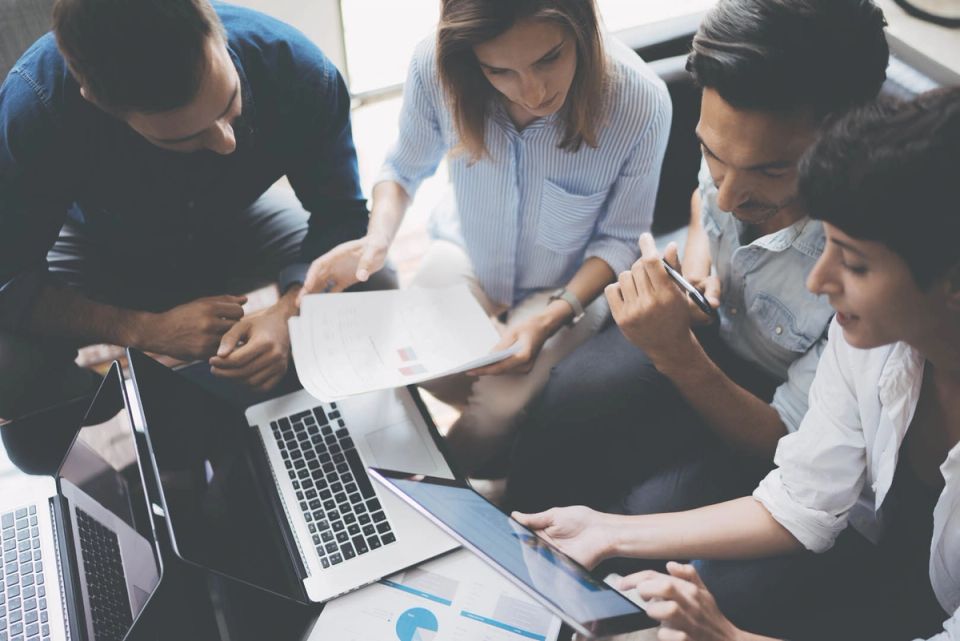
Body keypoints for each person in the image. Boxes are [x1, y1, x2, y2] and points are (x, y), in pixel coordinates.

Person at [518, 88, 960, 640]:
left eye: (854, 263)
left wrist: (727, 636)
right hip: (874, 553)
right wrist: (606, 532)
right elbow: (802, 500)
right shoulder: (874, 339)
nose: (819, 282)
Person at [507, 0, 890, 519]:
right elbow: (704, 201)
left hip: (776, 414)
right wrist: (695, 266)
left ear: (850, 139)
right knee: (571, 395)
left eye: (771, 173)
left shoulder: (865, 266)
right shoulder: (738, 143)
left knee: (649, 508)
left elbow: (786, 444)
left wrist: (677, 354)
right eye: (714, 156)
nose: (730, 198)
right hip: (707, 332)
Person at [300, 0, 672, 474]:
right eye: (500, 71)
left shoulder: (640, 102)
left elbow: (621, 239)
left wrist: (551, 319)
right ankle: (516, 442)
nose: (533, 92)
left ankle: (443, 490)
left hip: (571, 282)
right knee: (415, 362)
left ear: (581, 29)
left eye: (549, 58)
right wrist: (377, 239)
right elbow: (403, 167)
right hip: (468, 247)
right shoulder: (434, 68)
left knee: (499, 403)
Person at [0, 0, 386, 418]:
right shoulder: (36, 108)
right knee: (10, 373)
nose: (227, 143)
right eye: (186, 138)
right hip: (97, 244)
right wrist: (143, 329)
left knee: (372, 279)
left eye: (230, 104)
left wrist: (289, 312)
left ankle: (284, 414)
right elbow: (9, 281)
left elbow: (343, 218)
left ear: (211, 21)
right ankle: (134, 418)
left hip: (235, 224)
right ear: (96, 101)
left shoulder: (298, 69)